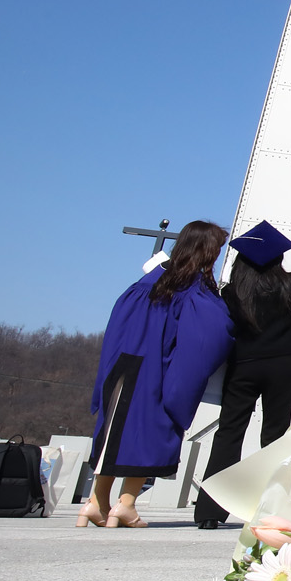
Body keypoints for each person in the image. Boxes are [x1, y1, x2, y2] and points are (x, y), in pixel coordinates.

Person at [83, 221, 235, 528]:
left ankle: (95, 503)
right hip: (157, 372)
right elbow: (209, 338)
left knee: (113, 434)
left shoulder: (146, 283)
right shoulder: (193, 290)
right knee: (148, 434)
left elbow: (115, 329)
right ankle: (125, 505)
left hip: (121, 369)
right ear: (207, 251)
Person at [192, 222, 291, 529]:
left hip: (245, 364)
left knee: (229, 433)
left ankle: (210, 510)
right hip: (284, 363)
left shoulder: (233, 292)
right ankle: (275, 509)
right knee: (276, 434)